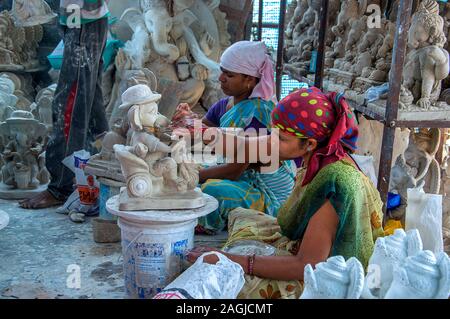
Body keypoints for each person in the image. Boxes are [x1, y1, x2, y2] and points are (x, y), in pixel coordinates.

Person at [186, 87, 385, 299]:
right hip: (308, 250)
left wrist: (231, 260)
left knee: (223, 283)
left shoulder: (335, 182)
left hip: (328, 276)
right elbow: (243, 144)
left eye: (280, 138)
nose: (272, 141)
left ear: (309, 144)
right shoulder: (318, 150)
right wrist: (196, 131)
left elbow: (306, 265)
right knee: (241, 214)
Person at [172, 41, 297, 234]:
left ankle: (205, 226)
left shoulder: (258, 113)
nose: (221, 78)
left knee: (210, 190)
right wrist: (189, 119)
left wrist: (190, 176)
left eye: (230, 75)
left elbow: (234, 171)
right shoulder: (226, 104)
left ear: (250, 80)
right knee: (190, 169)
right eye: (222, 71)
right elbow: (204, 135)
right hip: (243, 178)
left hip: (267, 193)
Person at [20, 0, 110, 209]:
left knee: (69, 103)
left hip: (83, 20)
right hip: (80, 17)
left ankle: (60, 186)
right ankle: (102, 164)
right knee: (89, 96)